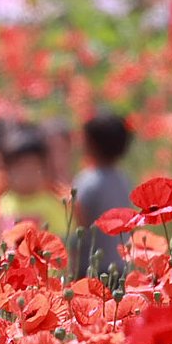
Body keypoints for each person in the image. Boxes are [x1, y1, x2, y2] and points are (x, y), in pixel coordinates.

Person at [71, 113, 133, 278]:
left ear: (91, 143)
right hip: (121, 265)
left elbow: (78, 225)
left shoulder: (87, 181)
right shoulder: (122, 179)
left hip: (92, 267)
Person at [0, 125, 69, 235]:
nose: (27, 175)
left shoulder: (52, 205)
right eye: (20, 168)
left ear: (45, 169)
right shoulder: (1, 203)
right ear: (7, 170)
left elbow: (64, 239)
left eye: (33, 169)